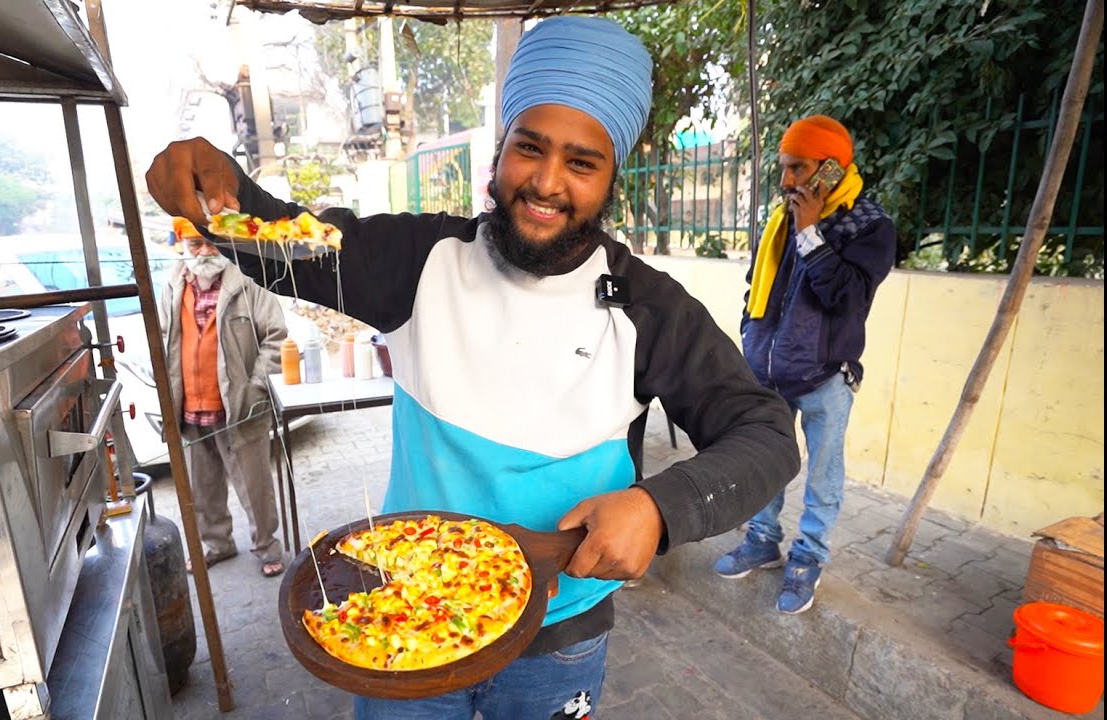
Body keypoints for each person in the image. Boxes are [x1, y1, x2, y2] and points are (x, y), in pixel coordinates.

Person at [147, 17, 800, 719]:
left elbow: (765, 434)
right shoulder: (420, 260)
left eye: (581, 163)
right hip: (400, 612)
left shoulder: (650, 309)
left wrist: (657, 507)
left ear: (613, 177)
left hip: (561, 632)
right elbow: (286, 239)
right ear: (501, 150)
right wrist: (220, 192)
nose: (546, 183)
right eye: (529, 148)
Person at [714, 115, 897, 614]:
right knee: (766, 459)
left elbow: (847, 297)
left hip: (823, 377)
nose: (786, 180)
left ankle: (808, 556)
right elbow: (759, 284)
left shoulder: (870, 226)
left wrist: (811, 231)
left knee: (823, 473)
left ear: (830, 170)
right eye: (783, 167)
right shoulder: (782, 217)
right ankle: (762, 539)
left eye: (797, 167)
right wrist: (751, 334)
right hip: (769, 371)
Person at [161, 216, 289, 578]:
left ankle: (267, 547)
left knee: (254, 484)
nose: (203, 252)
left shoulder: (248, 281)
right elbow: (162, 340)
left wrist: (256, 387)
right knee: (202, 488)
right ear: (183, 246)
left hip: (239, 407)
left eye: (210, 243)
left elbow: (277, 337)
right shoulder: (172, 283)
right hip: (190, 405)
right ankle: (218, 544)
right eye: (195, 244)